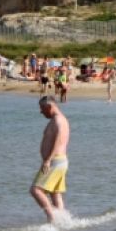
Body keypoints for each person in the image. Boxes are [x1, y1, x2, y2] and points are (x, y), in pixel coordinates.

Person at [30, 96, 70, 224]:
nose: (41, 112)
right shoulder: (60, 120)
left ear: (49, 107)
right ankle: (63, 221)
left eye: (42, 109)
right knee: (54, 192)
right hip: (60, 161)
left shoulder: (58, 121)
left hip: (55, 161)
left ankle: (52, 217)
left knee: (35, 190)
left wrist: (48, 160)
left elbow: (58, 142)